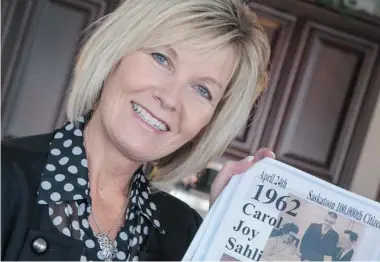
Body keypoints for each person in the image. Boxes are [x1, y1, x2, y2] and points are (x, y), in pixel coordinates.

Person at [1, 0, 273, 261]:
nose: (169, 98)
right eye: (161, 58)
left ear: (209, 124)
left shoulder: (184, 233)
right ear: (115, 55)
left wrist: (222, 237)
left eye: (202, 90)